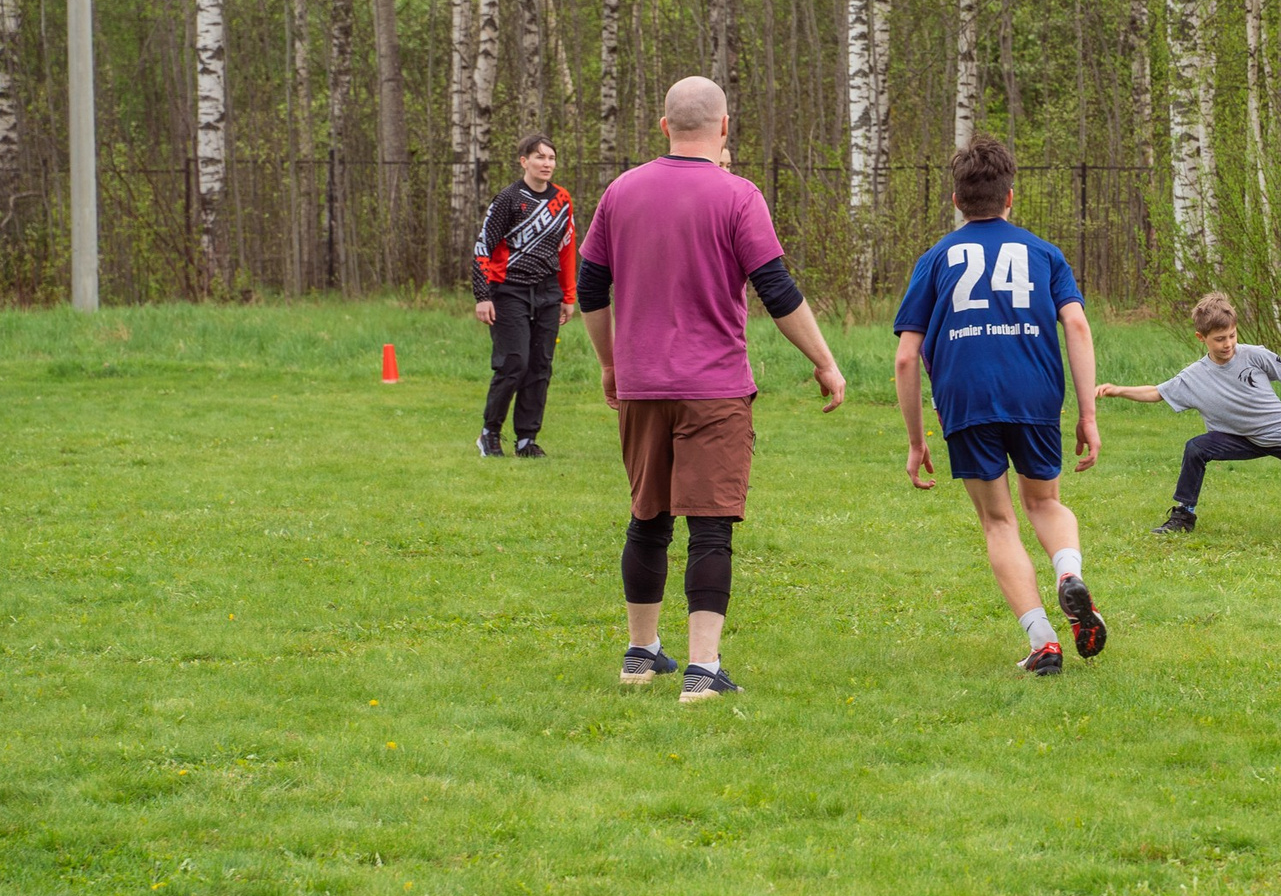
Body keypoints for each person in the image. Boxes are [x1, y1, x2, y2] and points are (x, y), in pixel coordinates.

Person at [577, 78, 847, 702]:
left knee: (646, 519)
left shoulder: (621, 192)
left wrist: (611, 365)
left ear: (663, 125)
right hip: (715, 388)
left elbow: (591, 288)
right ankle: (702, 670)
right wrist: (825, 363)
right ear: (724, 127)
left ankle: (640, 656)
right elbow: (776, 290)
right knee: (710, 527)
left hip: (642, 386)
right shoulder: (737, 195)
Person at [894, 138, 1109, 676]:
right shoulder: (1044, 253)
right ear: (1011, 196)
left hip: (965, 397)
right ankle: (1068, 573)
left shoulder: (936, 258)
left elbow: (905, 357)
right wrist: (1088, 413)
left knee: (998, 521)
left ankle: (1043, 641)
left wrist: (917, 441)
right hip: (1034, 392)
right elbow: (1077, 326)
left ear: (955, 199)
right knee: (1045, 503)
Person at [1097, 290, 1281, 534]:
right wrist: (1119, 390)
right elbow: (1156, 392)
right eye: (1219, 339)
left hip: (1280, 433)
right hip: (1236, 438)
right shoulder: (1195, 376)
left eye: (1232, 336)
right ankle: (1183, 516)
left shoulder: (1254, 355)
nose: (1227, 344)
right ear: (1201, 338)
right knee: (1196, 448)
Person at [472, 133, 578, 458]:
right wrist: (482, 295)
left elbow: (567, 250)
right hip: (509, 291)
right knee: (514, 362)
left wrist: (568, 296)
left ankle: (526, 440)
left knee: (540, 366)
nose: (546, 164)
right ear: (524, 161)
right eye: (539, 157)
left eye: (551, 158)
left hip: (547, 291)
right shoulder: (508, 199)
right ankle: (490, 433)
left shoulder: (562, 200)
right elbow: (482, 247)